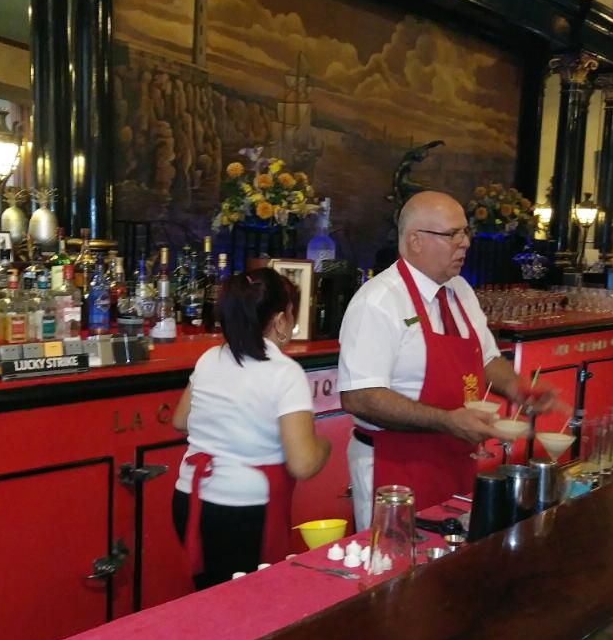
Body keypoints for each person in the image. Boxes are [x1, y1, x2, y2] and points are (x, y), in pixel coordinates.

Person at [338, 191, 561, 531]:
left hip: (455, 455)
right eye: (452, 234)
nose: (465, 243)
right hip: (395, 462)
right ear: (415, 240)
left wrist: (518, 389)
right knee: (396, 571)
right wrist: (446, 420)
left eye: (465, 232)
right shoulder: (379, 301)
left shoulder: (460, 291)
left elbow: (487, 359)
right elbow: (360, 396)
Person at [172, 268, 331, 588]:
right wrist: (323, 446)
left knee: (211, 595)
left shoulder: (210, 358)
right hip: (244, 513)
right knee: (249, 605)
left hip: (191, 500)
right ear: (280, 320)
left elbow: (180, 421)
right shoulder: (284, 373)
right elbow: (303, 463)